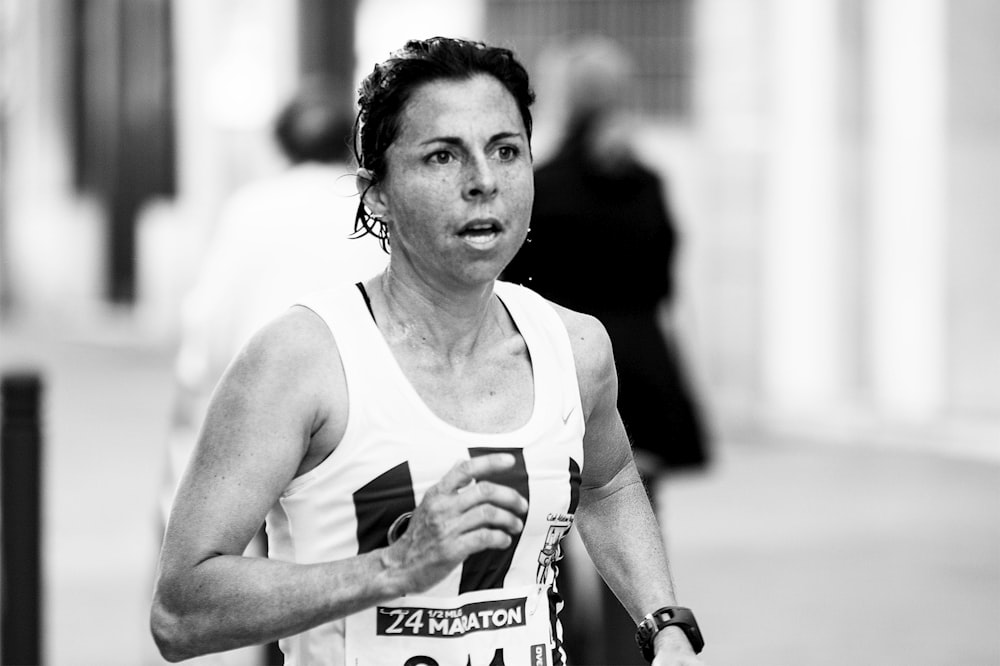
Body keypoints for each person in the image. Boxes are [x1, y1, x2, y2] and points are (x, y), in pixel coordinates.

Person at [151, 37, 706, 666]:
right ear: (376, 192)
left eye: (505, 151)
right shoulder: (303, 359)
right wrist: (394, 568)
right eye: (443, 156)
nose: (483, 182)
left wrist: (663, 623)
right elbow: (180, 612)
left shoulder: (575, 347)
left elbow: (608, 483)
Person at [502, 37, 711, 665]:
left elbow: (518, 289)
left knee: (551, 530)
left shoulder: (545, 188)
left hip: (560, 364)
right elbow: (666, 283)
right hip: (642, 366)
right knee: (635, 519)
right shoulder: (647, 184)